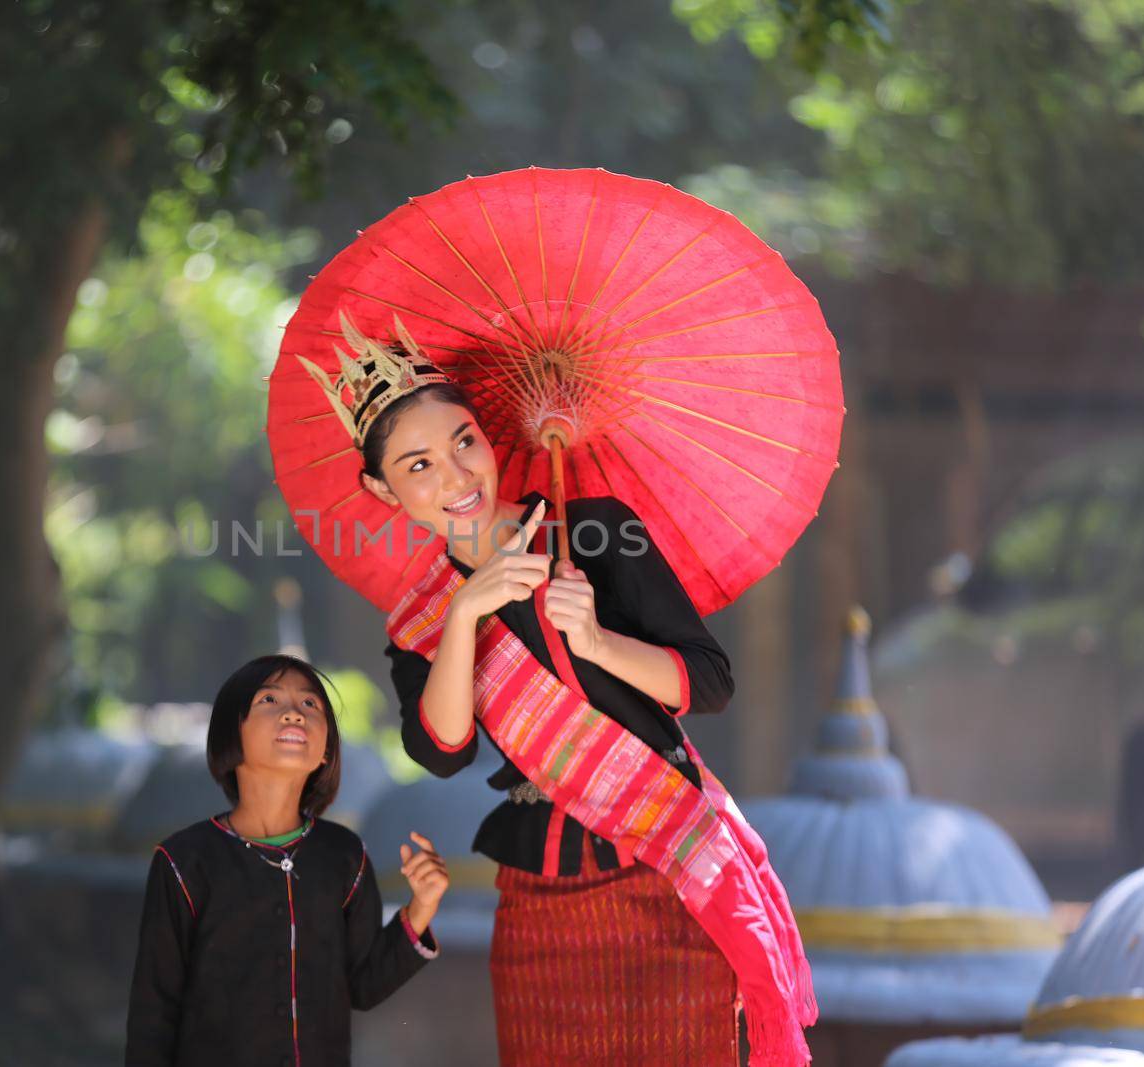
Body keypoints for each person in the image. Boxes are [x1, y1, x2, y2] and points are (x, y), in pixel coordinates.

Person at [296, 314, 814, 1065]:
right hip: (543, 884)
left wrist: (599, 640)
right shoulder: (422, 621)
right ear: (381, 489)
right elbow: (441, 749)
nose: (455, 476)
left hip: (663, 862)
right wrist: (468, 609)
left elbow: (709, 681)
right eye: (418, 466)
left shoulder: (595, 531)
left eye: (463, 441)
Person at [124, 654, 448, 1066]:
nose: (294, 714)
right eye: (269, 701)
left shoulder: (345, 856)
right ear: (231, 735)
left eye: (310, 705)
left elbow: (363, 986)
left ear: (326, 751)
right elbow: (154, 1012)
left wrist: (421, 907)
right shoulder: (184, 861)